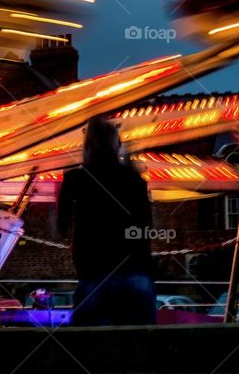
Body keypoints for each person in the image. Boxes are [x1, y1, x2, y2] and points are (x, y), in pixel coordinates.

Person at [57, 117, 155, 326]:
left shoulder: (76, 179)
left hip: (93, 269)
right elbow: (147, 226)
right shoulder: (134, 179)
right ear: (118, 145)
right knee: (141, 345)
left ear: (88, 145)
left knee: (90, 345)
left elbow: (62, 224)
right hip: (134, 269)